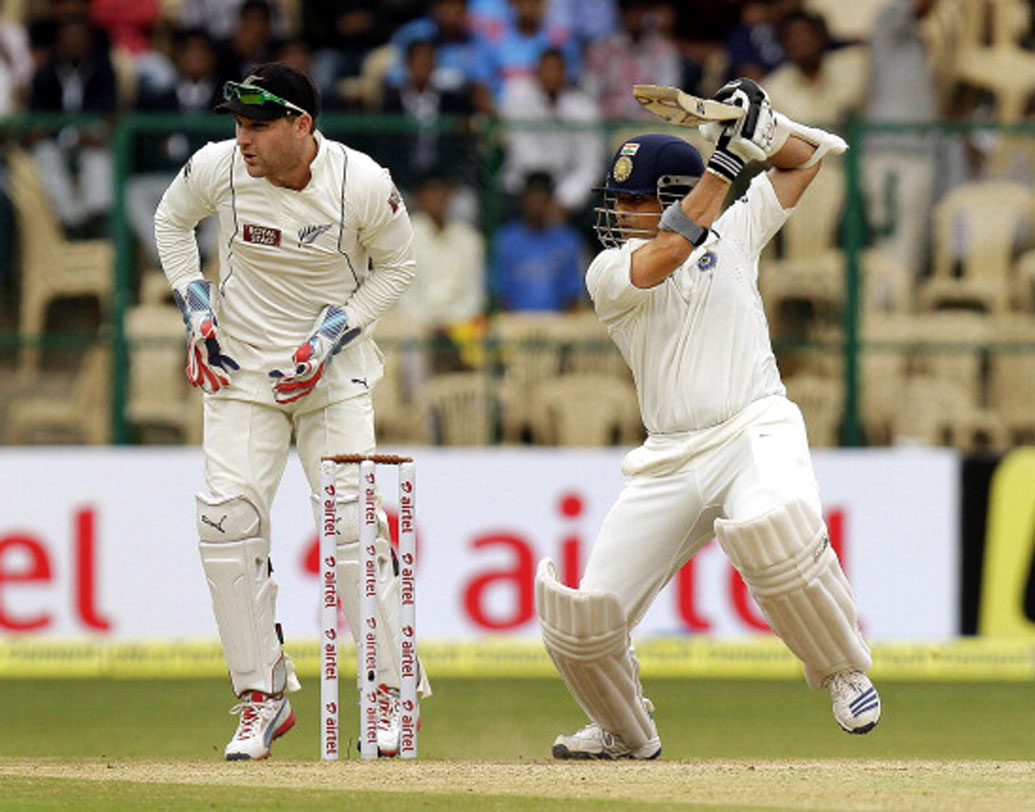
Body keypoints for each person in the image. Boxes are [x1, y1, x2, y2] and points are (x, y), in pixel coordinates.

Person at [534, 78, 880, 760]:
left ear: (672, 196)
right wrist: (728, 158)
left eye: (637, 199)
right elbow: (667, 254)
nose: (621, 211)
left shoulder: (737, 228)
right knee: (582, 623)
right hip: (669, 457)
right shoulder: (609, 271)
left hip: (753, 429)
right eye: (619, 199)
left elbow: (805, 160)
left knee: (772, 537)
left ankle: (843, 671)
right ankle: (623, 732)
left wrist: (758, 122)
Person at [153, 61, 430, 761]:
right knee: (226, 525)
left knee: (351, 528)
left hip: (330, 378)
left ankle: (390, 692)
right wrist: (196, 312)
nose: (242, 139)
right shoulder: (219, 167)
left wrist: (331, 335)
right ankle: (262, 694)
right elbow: (171, 222)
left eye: (256, 125)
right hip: (240, 372)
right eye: (238, 125)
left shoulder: (360, 182)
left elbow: (398, 267)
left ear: (301, 125)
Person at [490, 171, 585, 312]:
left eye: (542, 199)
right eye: (533, 199)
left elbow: (573, 293)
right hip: (514, 321)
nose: (537, 205)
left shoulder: (567, 240)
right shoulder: (505, 240)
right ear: (523, 200)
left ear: (550, 201)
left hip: (559, 321)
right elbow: (498, 293)